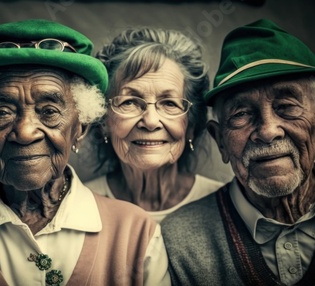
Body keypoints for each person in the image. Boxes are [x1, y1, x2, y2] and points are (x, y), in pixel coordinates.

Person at [0, 19, 170, 285]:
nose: (25, 132)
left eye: (49, 112)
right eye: (2, 112)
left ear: (79, 130)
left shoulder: (137, 237)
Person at [161, 19, 315, 285]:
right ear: (220, 141)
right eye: (241, 114)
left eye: (286, 106)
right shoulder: (180, 238)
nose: (267, 131)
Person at [84, 27, 223, 222]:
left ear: (190, 125)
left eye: (169, 103)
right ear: (104, 122)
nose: (150, 122)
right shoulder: (80, 206)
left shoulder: (224, 207)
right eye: (129, 102)